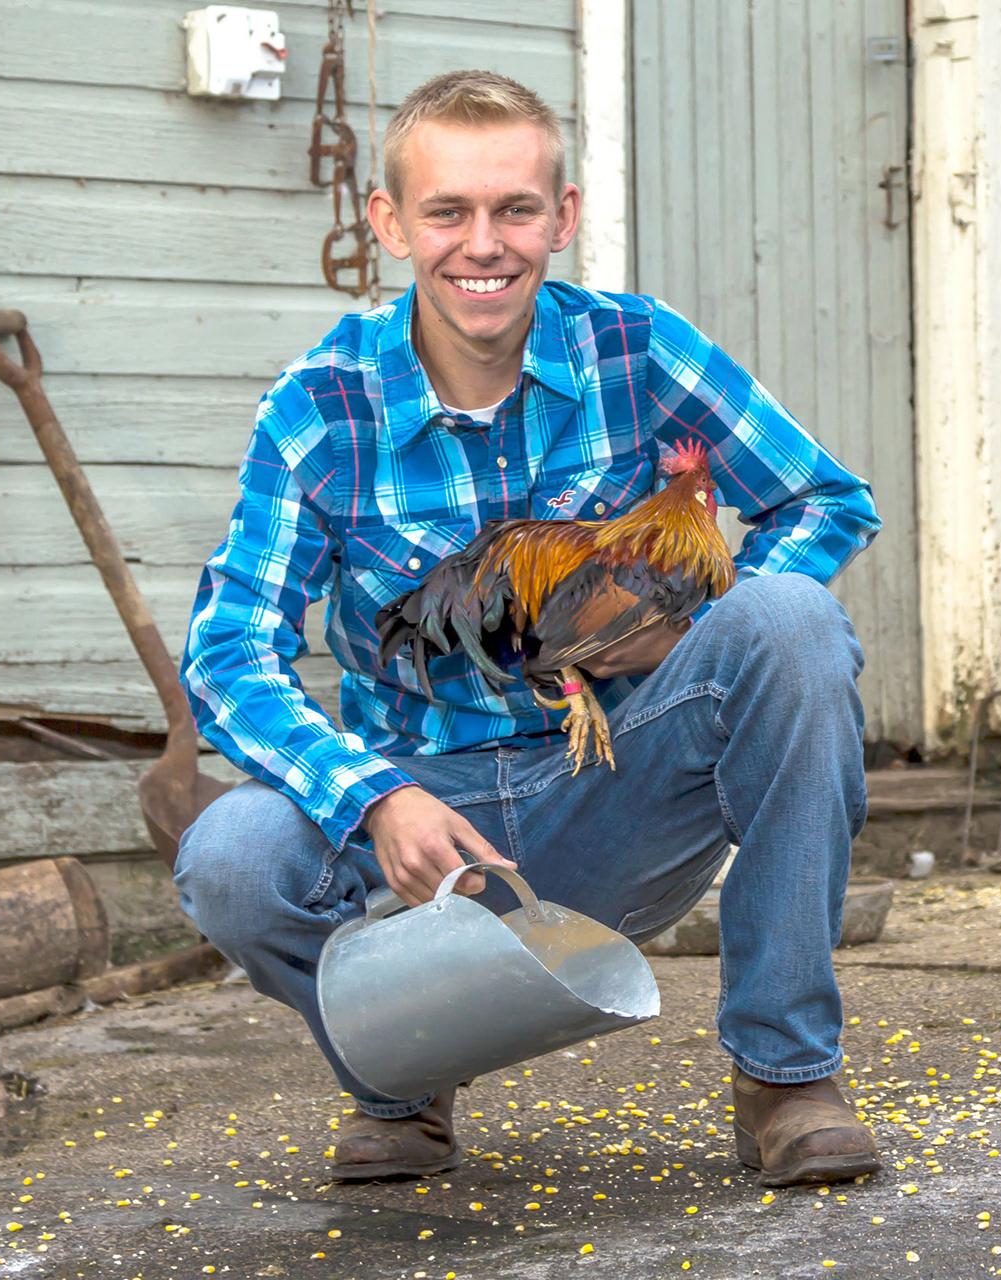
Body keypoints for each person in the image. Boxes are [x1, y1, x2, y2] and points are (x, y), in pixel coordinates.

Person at [176, 70, 883, 1187]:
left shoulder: (637, 350)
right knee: (231, 858)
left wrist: (692, 617)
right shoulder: (321, 406)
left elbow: (827, 499)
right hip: (419, 816)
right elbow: (228, 652)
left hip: (615, 789)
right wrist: (373, 796)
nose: (483, 244)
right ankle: (404, 1068)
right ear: (390, 223)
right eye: (447, 211)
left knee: (793, 624)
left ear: (563, 216)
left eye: (514, 209)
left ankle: (784, 1073)